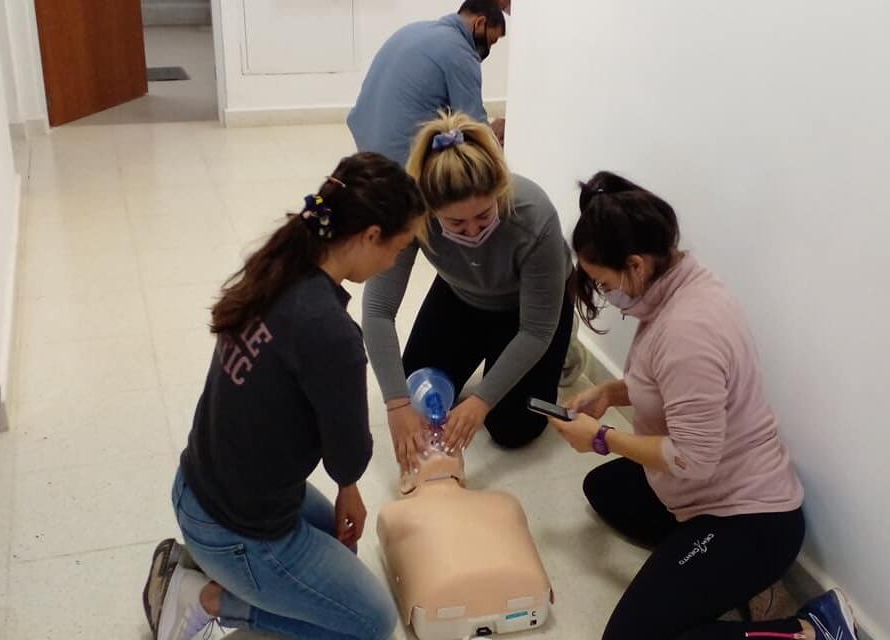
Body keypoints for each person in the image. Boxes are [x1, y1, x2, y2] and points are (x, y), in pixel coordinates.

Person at [551, 171, 860, 640]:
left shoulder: (687, 332)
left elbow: (693, 460)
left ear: (635, 265)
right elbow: (672, 388)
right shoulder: (680, 283)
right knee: (605, 488)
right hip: (704, 488)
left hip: (749, 516)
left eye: (603, 282)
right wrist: (610, 393)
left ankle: (816, 626)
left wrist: (602, 438)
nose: (603, 294)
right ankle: (717, 572)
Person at [142, 153, 426, 640]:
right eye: (398, 249)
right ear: (370, 235)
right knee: (372, 624)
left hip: (199, 486)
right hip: (233, 528)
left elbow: (339, 464)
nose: (394, 263)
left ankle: (213, 571)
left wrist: (348, 489)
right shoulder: (330, 332)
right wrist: (349, 480)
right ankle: (205, 598)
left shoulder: (279, 266)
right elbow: (349, 456)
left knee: (338, 538)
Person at [363, 111, 574, 473]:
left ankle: (566, 349)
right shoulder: (410, 214)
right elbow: (378, 309)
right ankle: (487, 350)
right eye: (457, 223)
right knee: (417, 390)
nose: (473, 232)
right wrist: (396, 404)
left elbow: (536, 330)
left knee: (512, 428)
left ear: (499, 193)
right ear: (430, 210)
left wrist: (481, 401)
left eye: (483, 216)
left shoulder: (533, 215)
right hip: (461, 294)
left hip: (528, 310)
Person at [348, 0, 508, 167]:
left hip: (365, 148)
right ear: (480, 23)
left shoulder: (413, 30)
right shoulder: (461, 52)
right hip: (400, 159)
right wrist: (498, 137)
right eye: (491, 41)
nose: (488, 49)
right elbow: (473, 124)